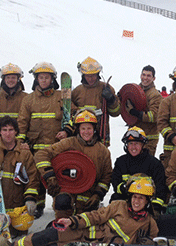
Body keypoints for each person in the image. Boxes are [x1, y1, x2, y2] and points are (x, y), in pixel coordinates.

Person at [0, 175, 159, 246]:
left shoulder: (149, 223)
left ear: (147, 201)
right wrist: (72, 221)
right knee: (48, 234)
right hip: (81, 231)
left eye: (141, 199)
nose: (136, 201)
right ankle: (12, 245)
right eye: (135, 197)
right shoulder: (119, 205)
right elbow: (95, 216)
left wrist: (144, 244)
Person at [34, 109, 112, 221]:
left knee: (86, 224)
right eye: (83, 128)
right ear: (78, 129)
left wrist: (98, 195)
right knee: (62, 201)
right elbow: (41, 154)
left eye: (89, 128)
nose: (86, 132)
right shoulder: (68, 143)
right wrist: (50, 176)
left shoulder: (103, 151)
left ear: (94, 129)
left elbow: (106, 176)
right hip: (67, 190)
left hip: (88, 196)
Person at [17, 62, 69, 216]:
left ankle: (59, 206)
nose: (44, 80)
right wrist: (20, 143)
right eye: (41, 77)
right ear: (36, 79)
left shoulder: (62, 96)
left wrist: (67, 131)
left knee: (58, 177)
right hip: (35, 147)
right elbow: (22, 123)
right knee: (36, 178)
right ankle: (38, 207)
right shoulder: (28, 99)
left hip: (56, 148)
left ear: (52, 79)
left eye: (47, 77)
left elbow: (72, 116)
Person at [110, 126, 168, 213]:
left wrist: (154, 208)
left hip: (147, 205)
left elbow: (161, 189)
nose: (133, 147)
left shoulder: (154, 164)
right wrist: (124, 188)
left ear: (143, 145)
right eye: (130, 143)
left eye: (136, 143)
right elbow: (116, 183)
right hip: (125, 204)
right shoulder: (121, 162)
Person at [70, 56, 120, 146]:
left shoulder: (106, 88)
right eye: (88, 76)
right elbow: (70, 113)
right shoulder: (77, 91)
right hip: (81, 137)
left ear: (98, 74)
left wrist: (111, 100)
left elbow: (115, 113)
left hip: (101, 136)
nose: (91, 78)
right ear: (83, 75)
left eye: (93, 75)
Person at [123, 65, 162, 156]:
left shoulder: (155, 95)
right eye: (143, 75)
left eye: (148, 76)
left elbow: (154, 116)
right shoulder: (135, 91)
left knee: (146, 167)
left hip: (148, 140)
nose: (145, 78)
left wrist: (134, 112)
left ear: (154, 78)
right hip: (134, 137)